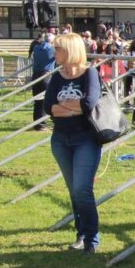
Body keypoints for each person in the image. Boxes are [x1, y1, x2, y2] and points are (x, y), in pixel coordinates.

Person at [43, 33, 102, 254]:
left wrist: (64, 105)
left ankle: (92, 239)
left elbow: (88, 104)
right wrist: (73, 107)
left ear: (70, 50)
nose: (54, 52)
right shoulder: (57, 77)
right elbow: (49, 108)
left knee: (82, 189)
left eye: (58, 48)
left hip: (85, 139)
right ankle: (81, 233)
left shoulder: (90, 74)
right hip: (60, 140)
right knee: (73, 191)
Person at [30, 32, 55, 129]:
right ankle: (54, 121)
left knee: (38, 101)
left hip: (36, 76)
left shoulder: (36, 48)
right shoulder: (52, 49)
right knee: (50, 99)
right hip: (46, 76)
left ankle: (38, 125)